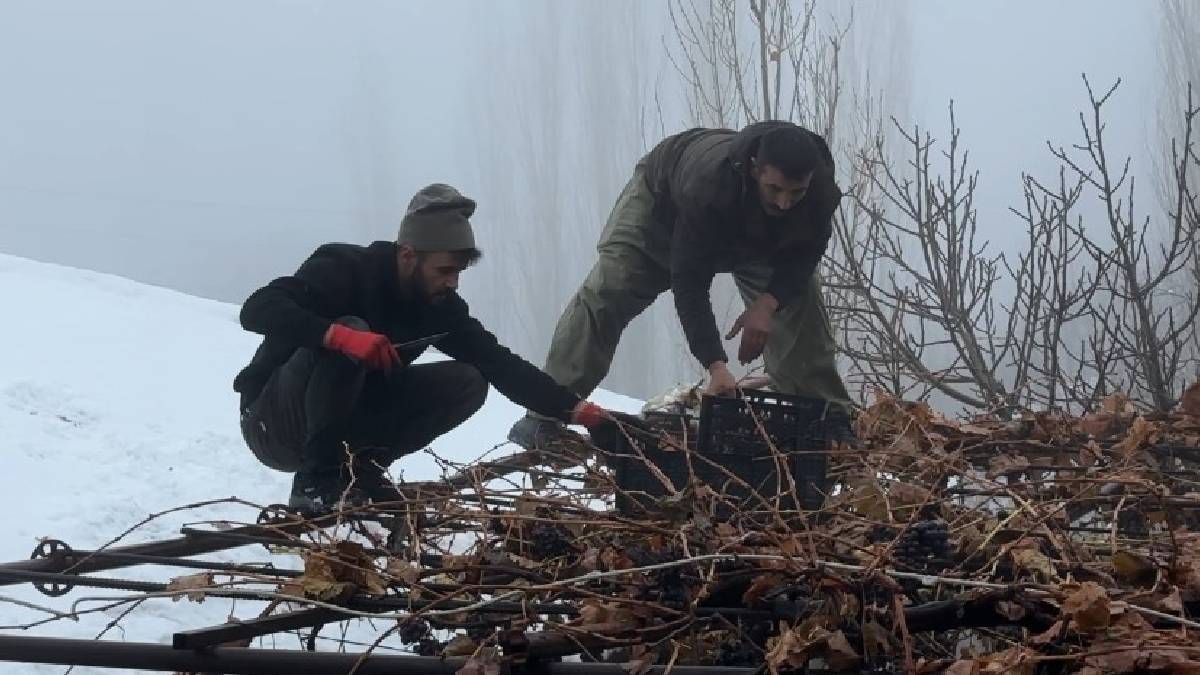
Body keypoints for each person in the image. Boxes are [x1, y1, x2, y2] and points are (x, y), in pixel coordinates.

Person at [234, 184, 631, 512]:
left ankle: (361, 472)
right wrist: (339, 337)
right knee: (351, 330)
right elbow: (257, 310)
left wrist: (578, 410)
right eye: (445, 270)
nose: (453, 282)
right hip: (273, 422)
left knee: (468, 380)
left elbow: (500, 365)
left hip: (344, 423)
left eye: (459, 272)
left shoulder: (440, 308)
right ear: (408, 255)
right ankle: (316, 486)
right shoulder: (344, 268)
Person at [509, 121, 849, 450]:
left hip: (757, 237)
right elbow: (689, 282)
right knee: (610, 290)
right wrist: (715, 364)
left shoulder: (819, 191)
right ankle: (546, 412)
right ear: (754, 168)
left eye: (796, 192)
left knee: (799, 304)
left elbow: (806, 253)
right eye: (775, 189)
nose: (784, 203)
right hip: (664, 210)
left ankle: (828, 417)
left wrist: (768, 303)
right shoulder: (708, 187)